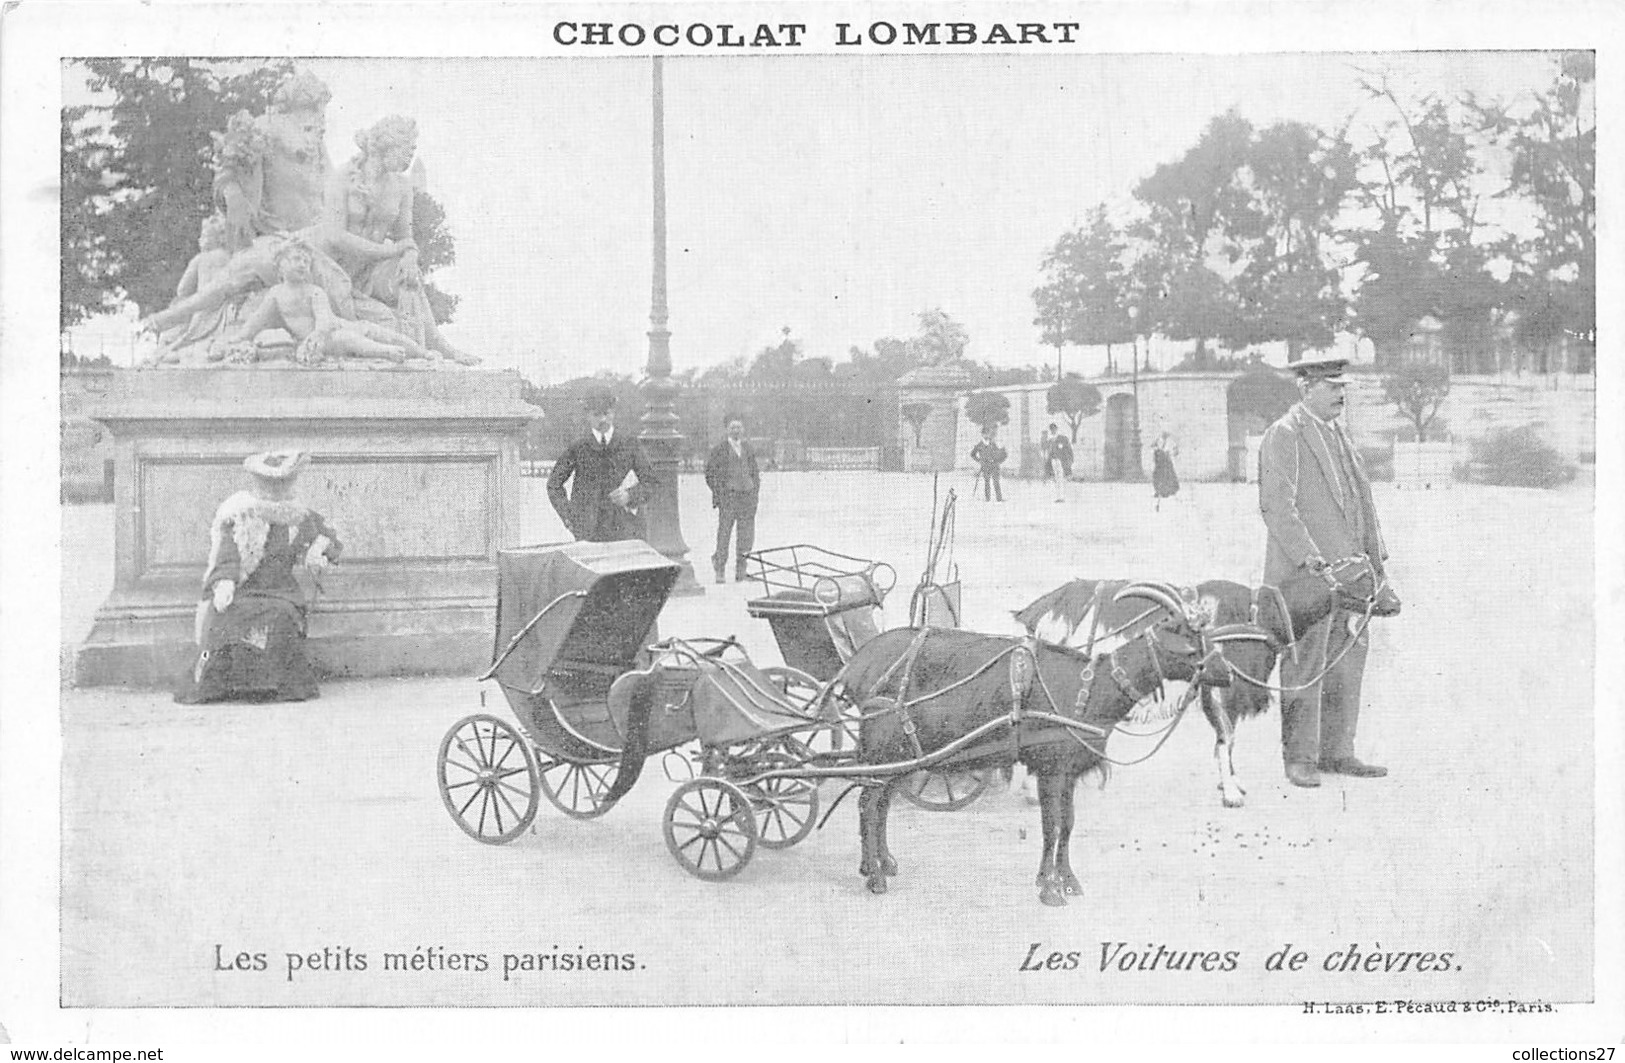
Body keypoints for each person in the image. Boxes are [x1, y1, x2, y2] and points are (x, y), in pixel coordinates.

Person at [1258, 356, 1400, 788]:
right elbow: (1277, 507)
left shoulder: (1339, 435)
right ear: (1305, 388)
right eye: (1330, 386)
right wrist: (1310, 558)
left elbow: (1363, 507)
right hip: (1307, 578)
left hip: (1354, 578)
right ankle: (1300, 758)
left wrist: (1378, 567)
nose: (1341, 394)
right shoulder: (1284, 435)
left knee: (1347, 663)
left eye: (1343, 386)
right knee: (1305, 664)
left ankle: (1338, 752)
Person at [176, 449, 342, 703]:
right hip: (245, 587)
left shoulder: (300, 516)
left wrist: (318, 551)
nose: (275, 489)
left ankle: (271, 684)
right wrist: (225, 584)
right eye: (269, 483)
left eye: (282, 483)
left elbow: (330, 539)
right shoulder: (242, 514)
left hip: (282, 590)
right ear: (258, 483)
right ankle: (223, 685)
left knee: (280, 615)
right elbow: (227, 554)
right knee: (227, 614)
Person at [217, 238, 432, 364]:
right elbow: (255, 322)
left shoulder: (314, 291)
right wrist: (237, 339)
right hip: (328, 339)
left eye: (306, 261)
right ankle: (384, 352)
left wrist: (318, 333)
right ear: (280, 265)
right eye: (296, 260)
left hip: (328, 331)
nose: (302, 264)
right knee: (348, 340)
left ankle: (421, 352)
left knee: (379, 332)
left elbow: (324, 320)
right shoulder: (275, 294)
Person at [547, 391, 655, 543]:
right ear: (588, 415)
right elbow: (554, 484)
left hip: (625, 528)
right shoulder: (578, 447)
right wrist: (570, 517)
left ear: (614, 413)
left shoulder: (630, 444)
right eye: (596, 414)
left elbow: (651, 482)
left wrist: (630, 495)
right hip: (589, 531)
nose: (603, 419)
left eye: (606, 413)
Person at [704, 414, 761, 583]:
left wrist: (754, 491)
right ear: (727, 430)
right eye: (732, 427)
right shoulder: (719, 450)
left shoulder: (748, 448)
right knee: (724, 534)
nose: (736, 430)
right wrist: (720, 493)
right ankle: (719, 568)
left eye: (739, 427)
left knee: (746, 536)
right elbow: (710, 474)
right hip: (728, 498)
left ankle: (741, 570)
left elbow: (755, 472)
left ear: (743, 430)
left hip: (747, 498)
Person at [970, 424, 1006, 502]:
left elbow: (997, 453)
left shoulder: (993, 444)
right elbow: (972, 454)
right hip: (985, 466)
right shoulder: (979, 445)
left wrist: (998, 457)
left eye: (987, 433)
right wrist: (979, 460)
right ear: (982, 434)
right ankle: (987, 498)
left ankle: (999, 498)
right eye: (984, 433)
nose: (986, 435)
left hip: (994, 465)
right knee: (987, 482)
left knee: (996, 482)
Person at [1151, 431, 1181, 511]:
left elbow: (1175, 451)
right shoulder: (1158, 440)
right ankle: (1158, 491)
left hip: (1166, 462)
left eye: (1165, 435)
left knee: (1167, 476)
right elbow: (1153, 447)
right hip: (1159, 462)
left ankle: (1168, 491)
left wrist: (1170, 453)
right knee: (1157, 476)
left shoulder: (1170, 442)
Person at [1045, 423, 1073, 502]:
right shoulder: (1050, 440)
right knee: (1056, 478)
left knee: (1061, 478)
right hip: (1053, 461)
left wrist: (1069, 460)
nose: (1053, 431)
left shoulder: (1062, 439)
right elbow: (1049, 452)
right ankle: (1058, 496)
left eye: (1054, 429)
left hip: (1061, 461)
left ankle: (1062, 497)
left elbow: (1068, 450)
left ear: (1057, 429)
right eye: (1051, 429)